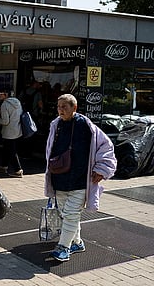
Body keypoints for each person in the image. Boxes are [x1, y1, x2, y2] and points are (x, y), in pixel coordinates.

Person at [45, 94, 117, 262]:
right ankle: (76, 242)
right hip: (60, 178)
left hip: (79, 179)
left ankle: (63, 247)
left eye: (65, 106)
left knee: (71, 214)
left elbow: (106, 146)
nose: (61, 110)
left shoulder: (85, 125)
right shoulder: (56, 125)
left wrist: (102, 169)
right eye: (59, 107)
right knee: (65, 213)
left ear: (74, 108)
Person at [0, 90, 24, 178]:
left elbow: (5, 121)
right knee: (6, 148)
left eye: (1, 94)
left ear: (5, 95)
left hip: (9, 131)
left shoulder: (5, 104)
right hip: (17, 129)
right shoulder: (17, 102)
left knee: (11, 150)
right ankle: (3, 166)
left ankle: (18, 170)